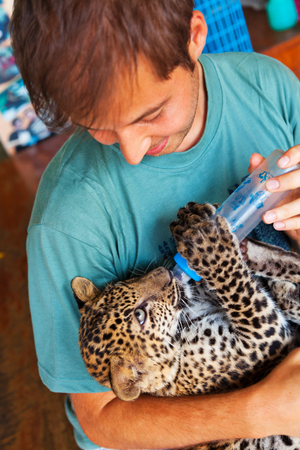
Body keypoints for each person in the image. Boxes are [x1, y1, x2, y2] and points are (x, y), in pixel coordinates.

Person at [11, 1, 300, 449]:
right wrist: (261, 411)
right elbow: (103, 418)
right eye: (99, 126)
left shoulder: (271, 88)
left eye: (149, 114)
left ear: (194, 35)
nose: (131, 151)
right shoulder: (69, 219)